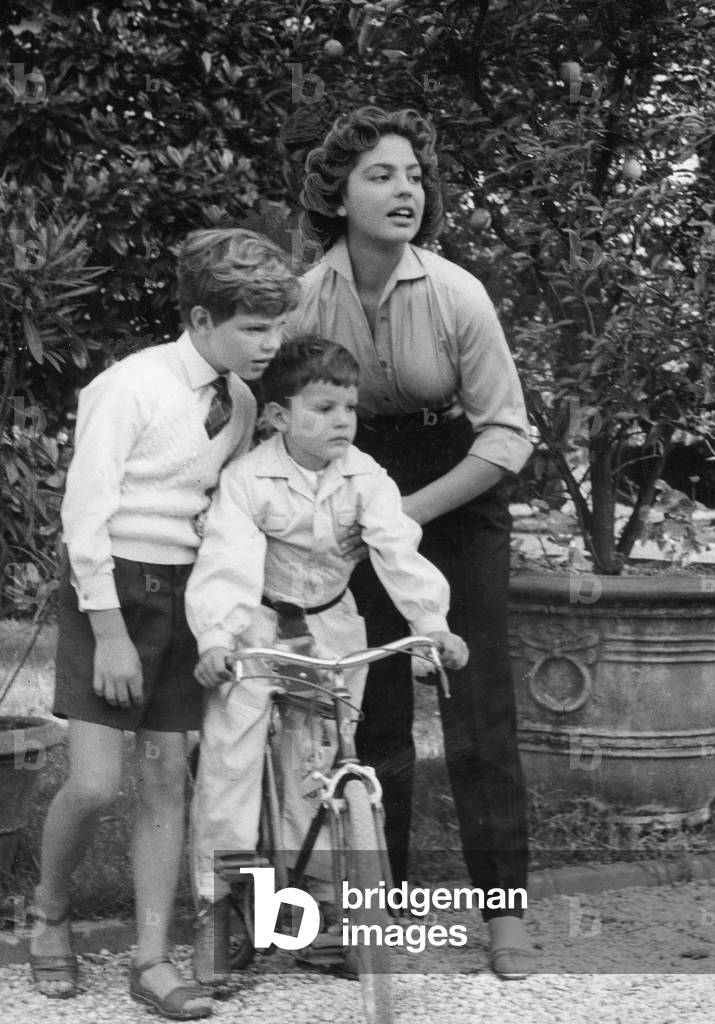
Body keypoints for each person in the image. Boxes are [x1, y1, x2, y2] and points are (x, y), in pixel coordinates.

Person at [29, 228, 300, 1019]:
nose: (269, 343)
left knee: (162, 779)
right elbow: (86, 516)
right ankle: (49, 909)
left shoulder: (242, 401)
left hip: (184, 599)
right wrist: (110, 630)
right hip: (110, 593)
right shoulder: (130, 387)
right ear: (200, 318)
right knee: (94, 780)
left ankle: (150, 959)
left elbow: (224, 510)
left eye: (276, 327)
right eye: (254, 328)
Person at [294, 106, 538, 980]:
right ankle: (380, 917)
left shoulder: (456, 292)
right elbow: (277, 420)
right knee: (377, 714)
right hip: (358, 493)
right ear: (338, 195)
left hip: (458, 491)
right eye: (380, 176)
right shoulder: (305, 299)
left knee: (476, 713)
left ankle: (504, 914)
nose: (405, 190)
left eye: (413, 176)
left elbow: (507, 436)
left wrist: (408, 511)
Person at [184, 333, 468, 984]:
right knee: (232, 760)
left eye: (349, 407)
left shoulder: (365, 477)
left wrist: (433, 625)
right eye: (322, 408)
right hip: (255, 621)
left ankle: (321, 911)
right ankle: (219, 910)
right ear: (279, 417)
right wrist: (218, 641)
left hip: (331, 626)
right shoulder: (248, 479)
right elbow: (226, 562)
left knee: (322, 761)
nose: (341, 421)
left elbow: (398, 548)